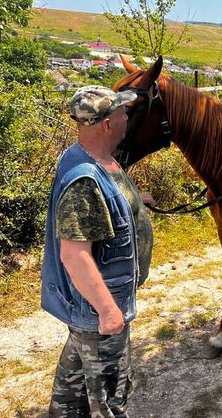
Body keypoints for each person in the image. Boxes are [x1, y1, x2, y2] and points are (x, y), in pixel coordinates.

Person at [41, 85, 156, 417]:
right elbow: (75, 255)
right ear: (107, 124)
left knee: (70, 395)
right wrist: (108, 311)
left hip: (88, 316)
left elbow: (109, 199)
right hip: (98, 313)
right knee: (108, 401)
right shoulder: (85, 180)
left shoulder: (92, 157)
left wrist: (134, 202)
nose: (126, 119)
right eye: (123, 113)